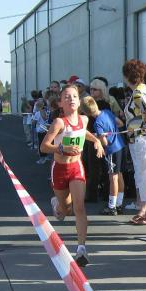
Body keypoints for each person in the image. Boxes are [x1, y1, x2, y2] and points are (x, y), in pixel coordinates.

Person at [41, 84, 104, 267]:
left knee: (79, 208)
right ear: (60, 103)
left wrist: (97, 141)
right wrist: (62, 148)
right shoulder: (59, 123)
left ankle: (81, 249)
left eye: (74, 96)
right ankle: (57, 204)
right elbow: (44, 147)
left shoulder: (84, 119)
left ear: (79, 100)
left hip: (76, 167)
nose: (71, 99)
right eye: (67, 97)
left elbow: (83, 132)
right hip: (60, 169)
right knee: (64, 211)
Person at [123, 60, 146, 225]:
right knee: (142, 173)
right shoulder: (141, 90)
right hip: (140, 137)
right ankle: (144, 208)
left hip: (142, 137)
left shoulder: (138, 93)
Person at [80, 96, 125, 216]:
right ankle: (119, 203)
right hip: (120, 145)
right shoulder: (107, 112)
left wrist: (98, 138)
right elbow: (120, 123)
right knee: (119, 175)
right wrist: (112, 131)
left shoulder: (97, 123)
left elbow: (105, 142)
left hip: (111, 150)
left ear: (86, 113)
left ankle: (112, 206)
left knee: (113, 178)